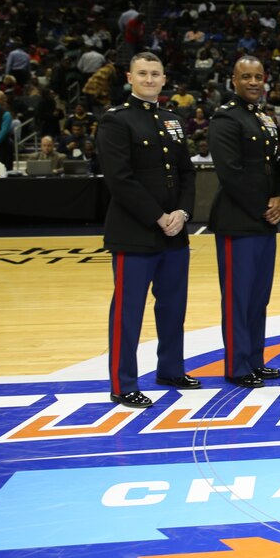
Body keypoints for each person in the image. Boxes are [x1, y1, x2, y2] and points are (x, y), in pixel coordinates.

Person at [96, 51, 199, 408]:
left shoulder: (173, 119)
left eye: (156, 73)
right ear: (130, 77)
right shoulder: (116, 121)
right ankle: (123, 384)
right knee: (128, 313)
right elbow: (119, 180)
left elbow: (186, 172)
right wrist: (159, 216)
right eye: (143, 73)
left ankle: (170, 369)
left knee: (173, 307)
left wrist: (183, 212)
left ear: (164, 78)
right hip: (135, 233)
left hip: (176, 232)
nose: (150, 79)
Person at [208, 56, 280, 388]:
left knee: (258, 297)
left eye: (258, 77)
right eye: (246, 77)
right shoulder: (225, 119)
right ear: (234, 80)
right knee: (237, 298)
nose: (253, 82)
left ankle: (255, 359)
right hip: (237, 221)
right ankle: (237, 366)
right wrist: (263, 207)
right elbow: (231, 174)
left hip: (264, 222)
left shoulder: (265, 119)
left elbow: (274, 165)